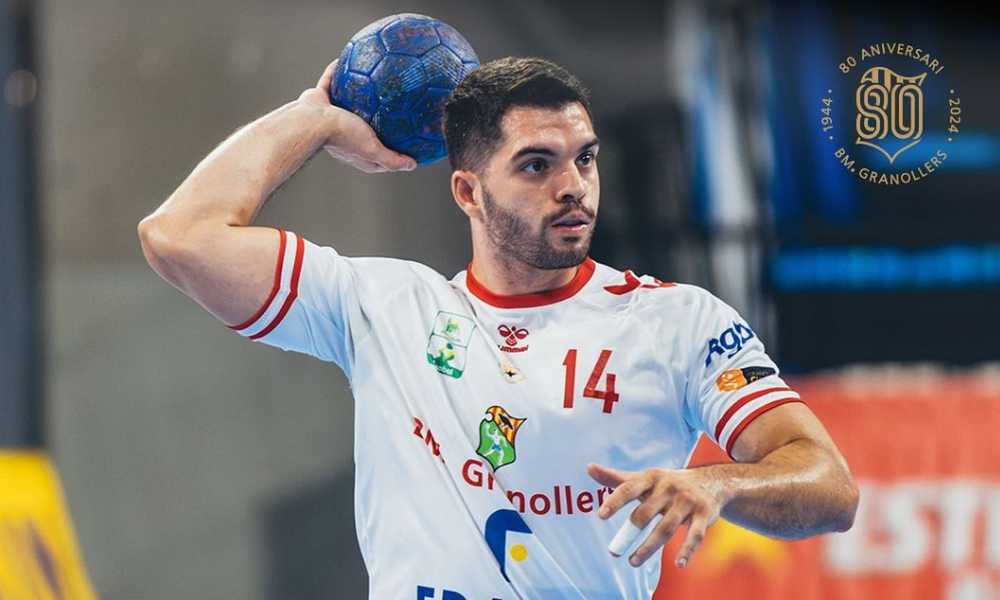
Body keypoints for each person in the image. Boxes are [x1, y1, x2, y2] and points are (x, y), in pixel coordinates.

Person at [138, 56, 858, 600]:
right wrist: (315, 117)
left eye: (585, 158)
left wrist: (718, 485)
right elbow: (180, 235)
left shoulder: (675, 321)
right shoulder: (384, 307)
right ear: (468, 192)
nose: (572, 184)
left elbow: (831, 488)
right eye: (536, 165)